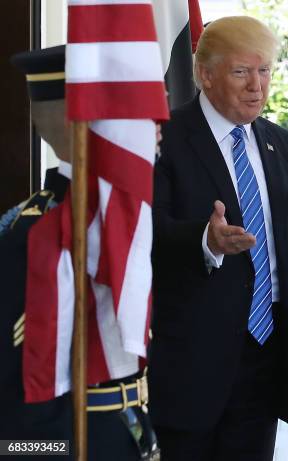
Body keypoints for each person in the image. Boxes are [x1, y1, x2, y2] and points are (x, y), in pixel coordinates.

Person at [149, 16, 288, 461]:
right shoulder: (163, 138)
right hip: (192, 367)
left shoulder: (283, 145)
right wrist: (205, 241)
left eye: (264, 71)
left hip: (265, 366)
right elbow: (145, 234)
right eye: (241, 72)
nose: (256, 86)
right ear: (205, 75)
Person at [1, 45, 156, 461]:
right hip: (75, 436)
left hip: (130, 425)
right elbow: (24, 378)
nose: (155, 126)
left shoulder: (126, 215)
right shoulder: (36, 231)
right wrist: (37, 452)